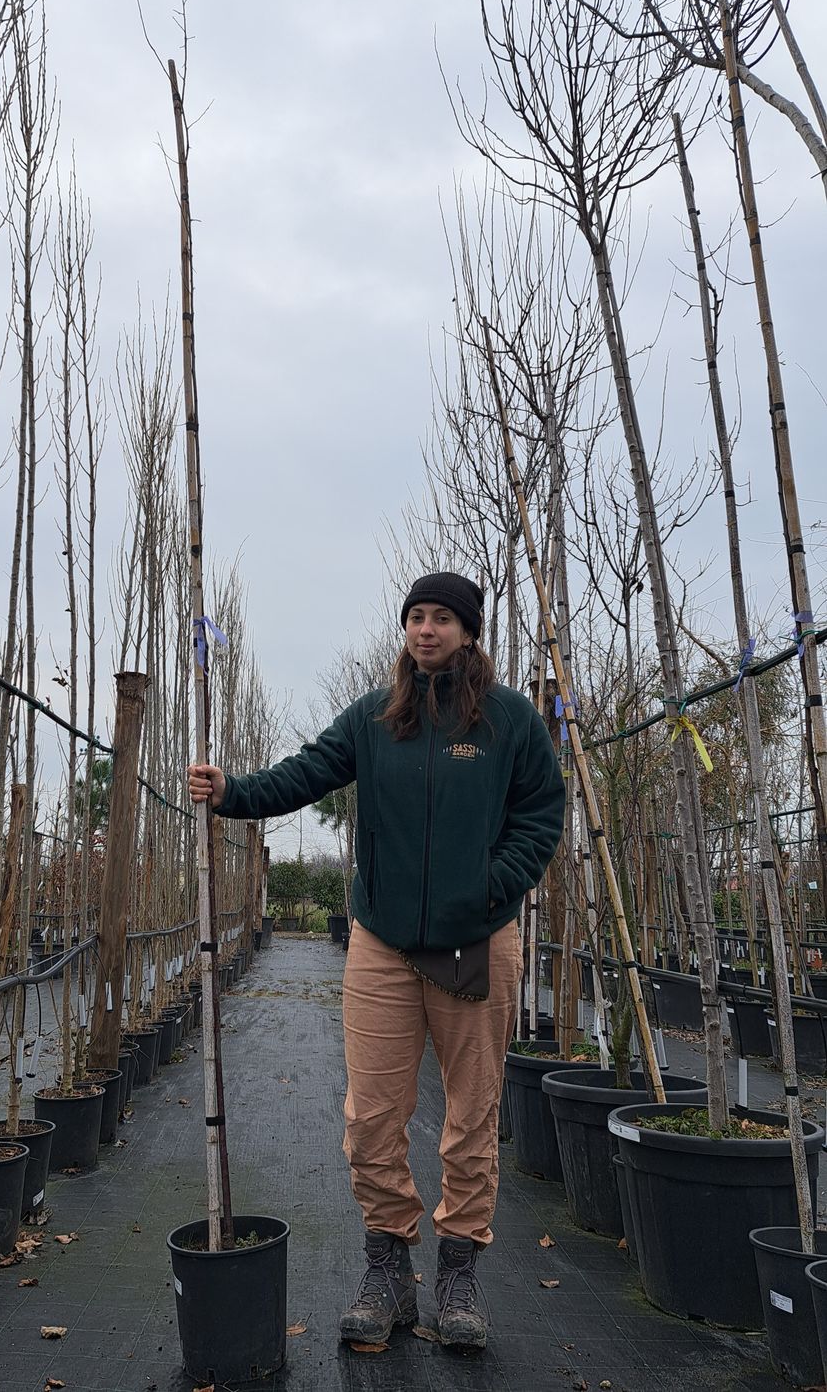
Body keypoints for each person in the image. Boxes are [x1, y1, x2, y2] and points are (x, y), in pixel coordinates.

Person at [187, 573, 565, 1352]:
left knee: (470, 1116)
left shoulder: (508, 721)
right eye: (415, 617)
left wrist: (490, 887)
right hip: (383, 942)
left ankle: (458, 1272)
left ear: (467, 630)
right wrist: (232, 791)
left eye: (442, 619)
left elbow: (540, 812)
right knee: (370, 1117)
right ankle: (388, 1267)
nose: (426, 630)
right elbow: (304, 772)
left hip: (478, 937)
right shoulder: (375, 716)